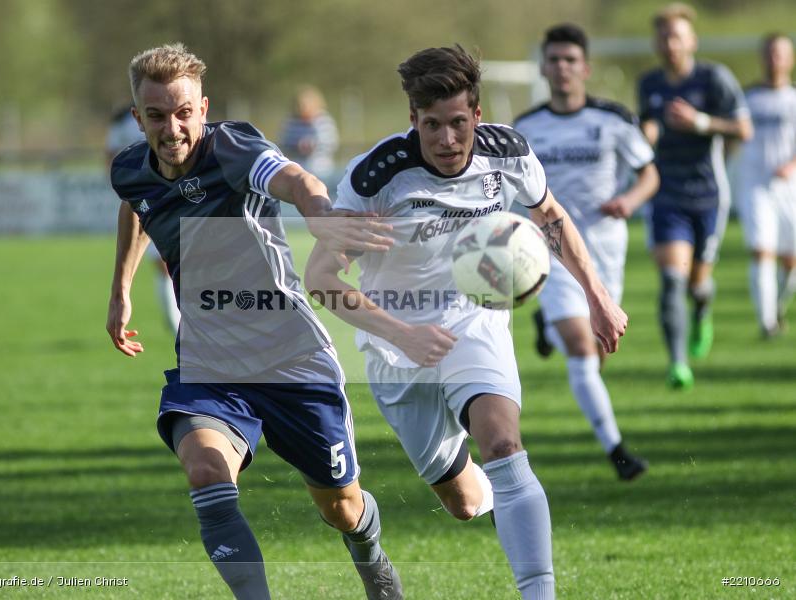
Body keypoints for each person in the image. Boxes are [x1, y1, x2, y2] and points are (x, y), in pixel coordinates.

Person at [305, 45, 628, 600]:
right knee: (465, 503)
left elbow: (549, 216)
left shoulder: (509, 152)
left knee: (503, 446)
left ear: (477, 114)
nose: (448, 140)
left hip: (474, 321)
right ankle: (505, 498)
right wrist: (404, 334)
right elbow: (322, 280)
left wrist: (597, 295)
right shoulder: (376, 177)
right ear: (413, 119)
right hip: (395, 346)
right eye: (432, 125)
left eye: (459, 123)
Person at [105, 43, 402, 600]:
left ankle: (372, 555)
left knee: (341, 508)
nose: (172, 128)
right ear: (137, 115)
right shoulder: (130, 168)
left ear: (203, 106)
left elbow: (295, 181)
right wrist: (121, 289)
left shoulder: (233, 148)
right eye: (156, 115)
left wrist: (320, 216)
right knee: (206, 474)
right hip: (210, 362)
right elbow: (136, 204)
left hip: (292, 357)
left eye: (184, 112)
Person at [514, 24, 657, 480]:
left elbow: (649, 174)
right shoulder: (525, 128)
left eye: (570, 60)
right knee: (581, 347)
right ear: (543, 68)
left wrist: (629, 202)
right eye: (554, 59)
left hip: (604, 251)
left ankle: (546, 326)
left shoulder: (613, 119)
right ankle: (617, 450)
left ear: (585, 68)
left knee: (598, 351)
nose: (562, 68)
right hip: (550, 251)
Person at [637, 3, 752, 389]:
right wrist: (646, 133)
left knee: (697, 284)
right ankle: (677, 363)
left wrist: (700, 122)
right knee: (671, 280)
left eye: (677, 36)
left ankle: (703, 307)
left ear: (692, 41)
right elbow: (646, 123)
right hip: (666, 195)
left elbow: (743, 128)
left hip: (708, 195)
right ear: (656, 42)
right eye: (664, 36)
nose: (670, 44)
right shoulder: (650, 83)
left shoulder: (713, 78)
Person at [735, 33, 796, 338]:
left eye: (781, 53)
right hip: (755, 186)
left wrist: (792, 165)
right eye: (770, 53)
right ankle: (767, 323)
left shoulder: (794, 99)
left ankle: (776, 305)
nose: (775, 59)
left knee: (790, 262)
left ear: (791, 59)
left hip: (789, 188)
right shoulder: (747, 99)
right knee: (762, 251)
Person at [105, 103, 181, 334]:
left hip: (174, 197)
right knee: (164, 265)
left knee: (170, 265)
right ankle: (176, 322)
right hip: (145, 199)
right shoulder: (123, 122)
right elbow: (110, 157)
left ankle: (180, 321)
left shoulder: (173, 114)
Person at [278, 85, 340, 184]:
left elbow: (330, 144)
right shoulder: (291, 122)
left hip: (321, 169)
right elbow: (284, 143)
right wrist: (296, 147)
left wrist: (312, 147)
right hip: (297, 169)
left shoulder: (323, 121)